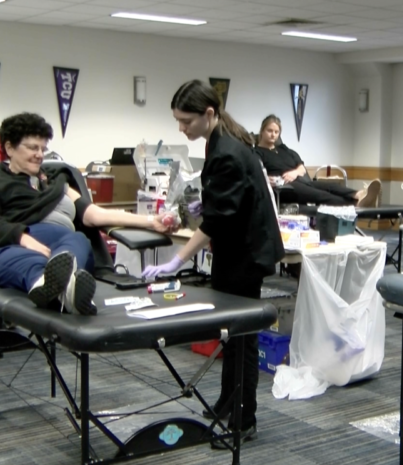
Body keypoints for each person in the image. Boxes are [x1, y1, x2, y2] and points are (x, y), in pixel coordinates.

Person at [142, 80, 285, 446]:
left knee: (240, 337)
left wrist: (177, 259)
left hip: (246, 253)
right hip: (238, 248)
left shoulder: (226, 150)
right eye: (177, 120)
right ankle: (227, 402)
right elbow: (226, 201)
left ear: (208, 113)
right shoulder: (221, 140)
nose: (181, 128)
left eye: (185, 120)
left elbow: (218, 220)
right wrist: (198, 207)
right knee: (229, 332)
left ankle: (243, 420)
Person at [0, 113, 175, 316]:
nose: (39, 154)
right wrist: (23, 237)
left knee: (78, 239)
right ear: (9, 147)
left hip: (60, 248)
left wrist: (150, 221)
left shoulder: (55, 182)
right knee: (35, 264)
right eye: (32, 147)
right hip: (7, 249)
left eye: (43, 148)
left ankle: (60, 288)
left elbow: (94, 215)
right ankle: (62, 291)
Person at [255, 114, 381, 207]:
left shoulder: (283, 148)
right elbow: (257, 174)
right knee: (321, 195)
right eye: (270, 131)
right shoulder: (257, 152)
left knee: (331, 186)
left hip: (300, 180)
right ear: (262, 131)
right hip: (285, 187)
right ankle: (355, 204)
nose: (273, 135)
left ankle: (359, 195)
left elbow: (301, 167)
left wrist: (295, 173)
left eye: (276, 132)